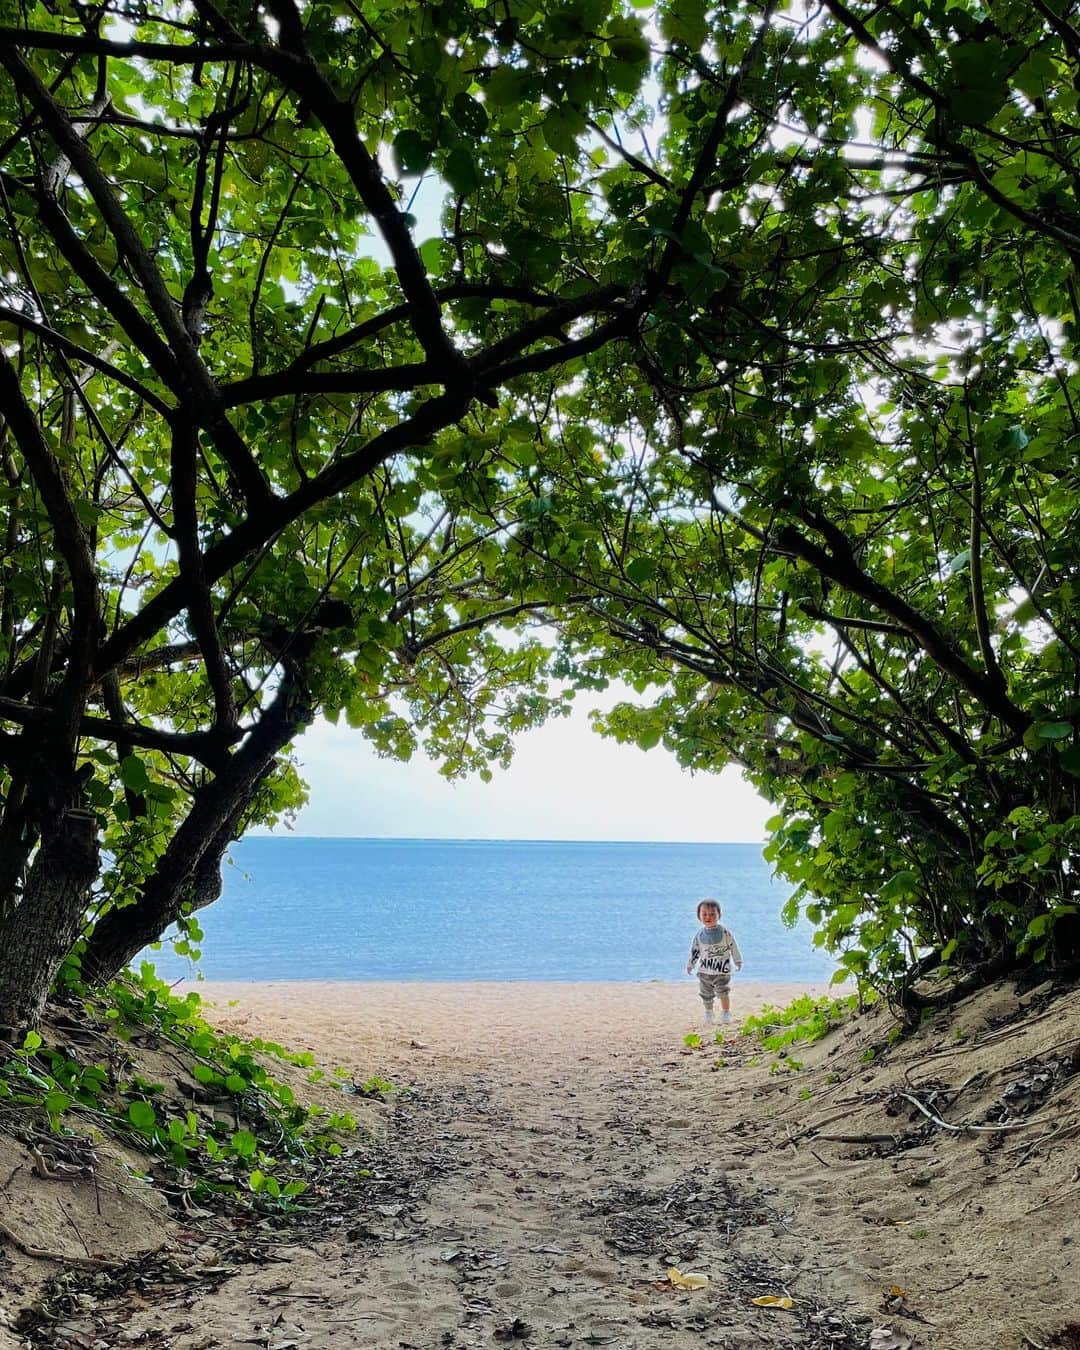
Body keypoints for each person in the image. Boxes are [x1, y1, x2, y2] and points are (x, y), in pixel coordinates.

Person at [685, 898, 743, 1027]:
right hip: (705, 971)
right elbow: (695, 951)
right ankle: (709, 1012)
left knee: (723, 991)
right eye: (704, 914)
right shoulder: (699, 934)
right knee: (706, 994)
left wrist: (737, 960)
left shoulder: (724, 932)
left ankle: (726, 1012)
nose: (708, 917)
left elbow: (733, 946)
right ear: (699, 916)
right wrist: (691, 964)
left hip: (722, 970)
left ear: (719, 915)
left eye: (712, 914)